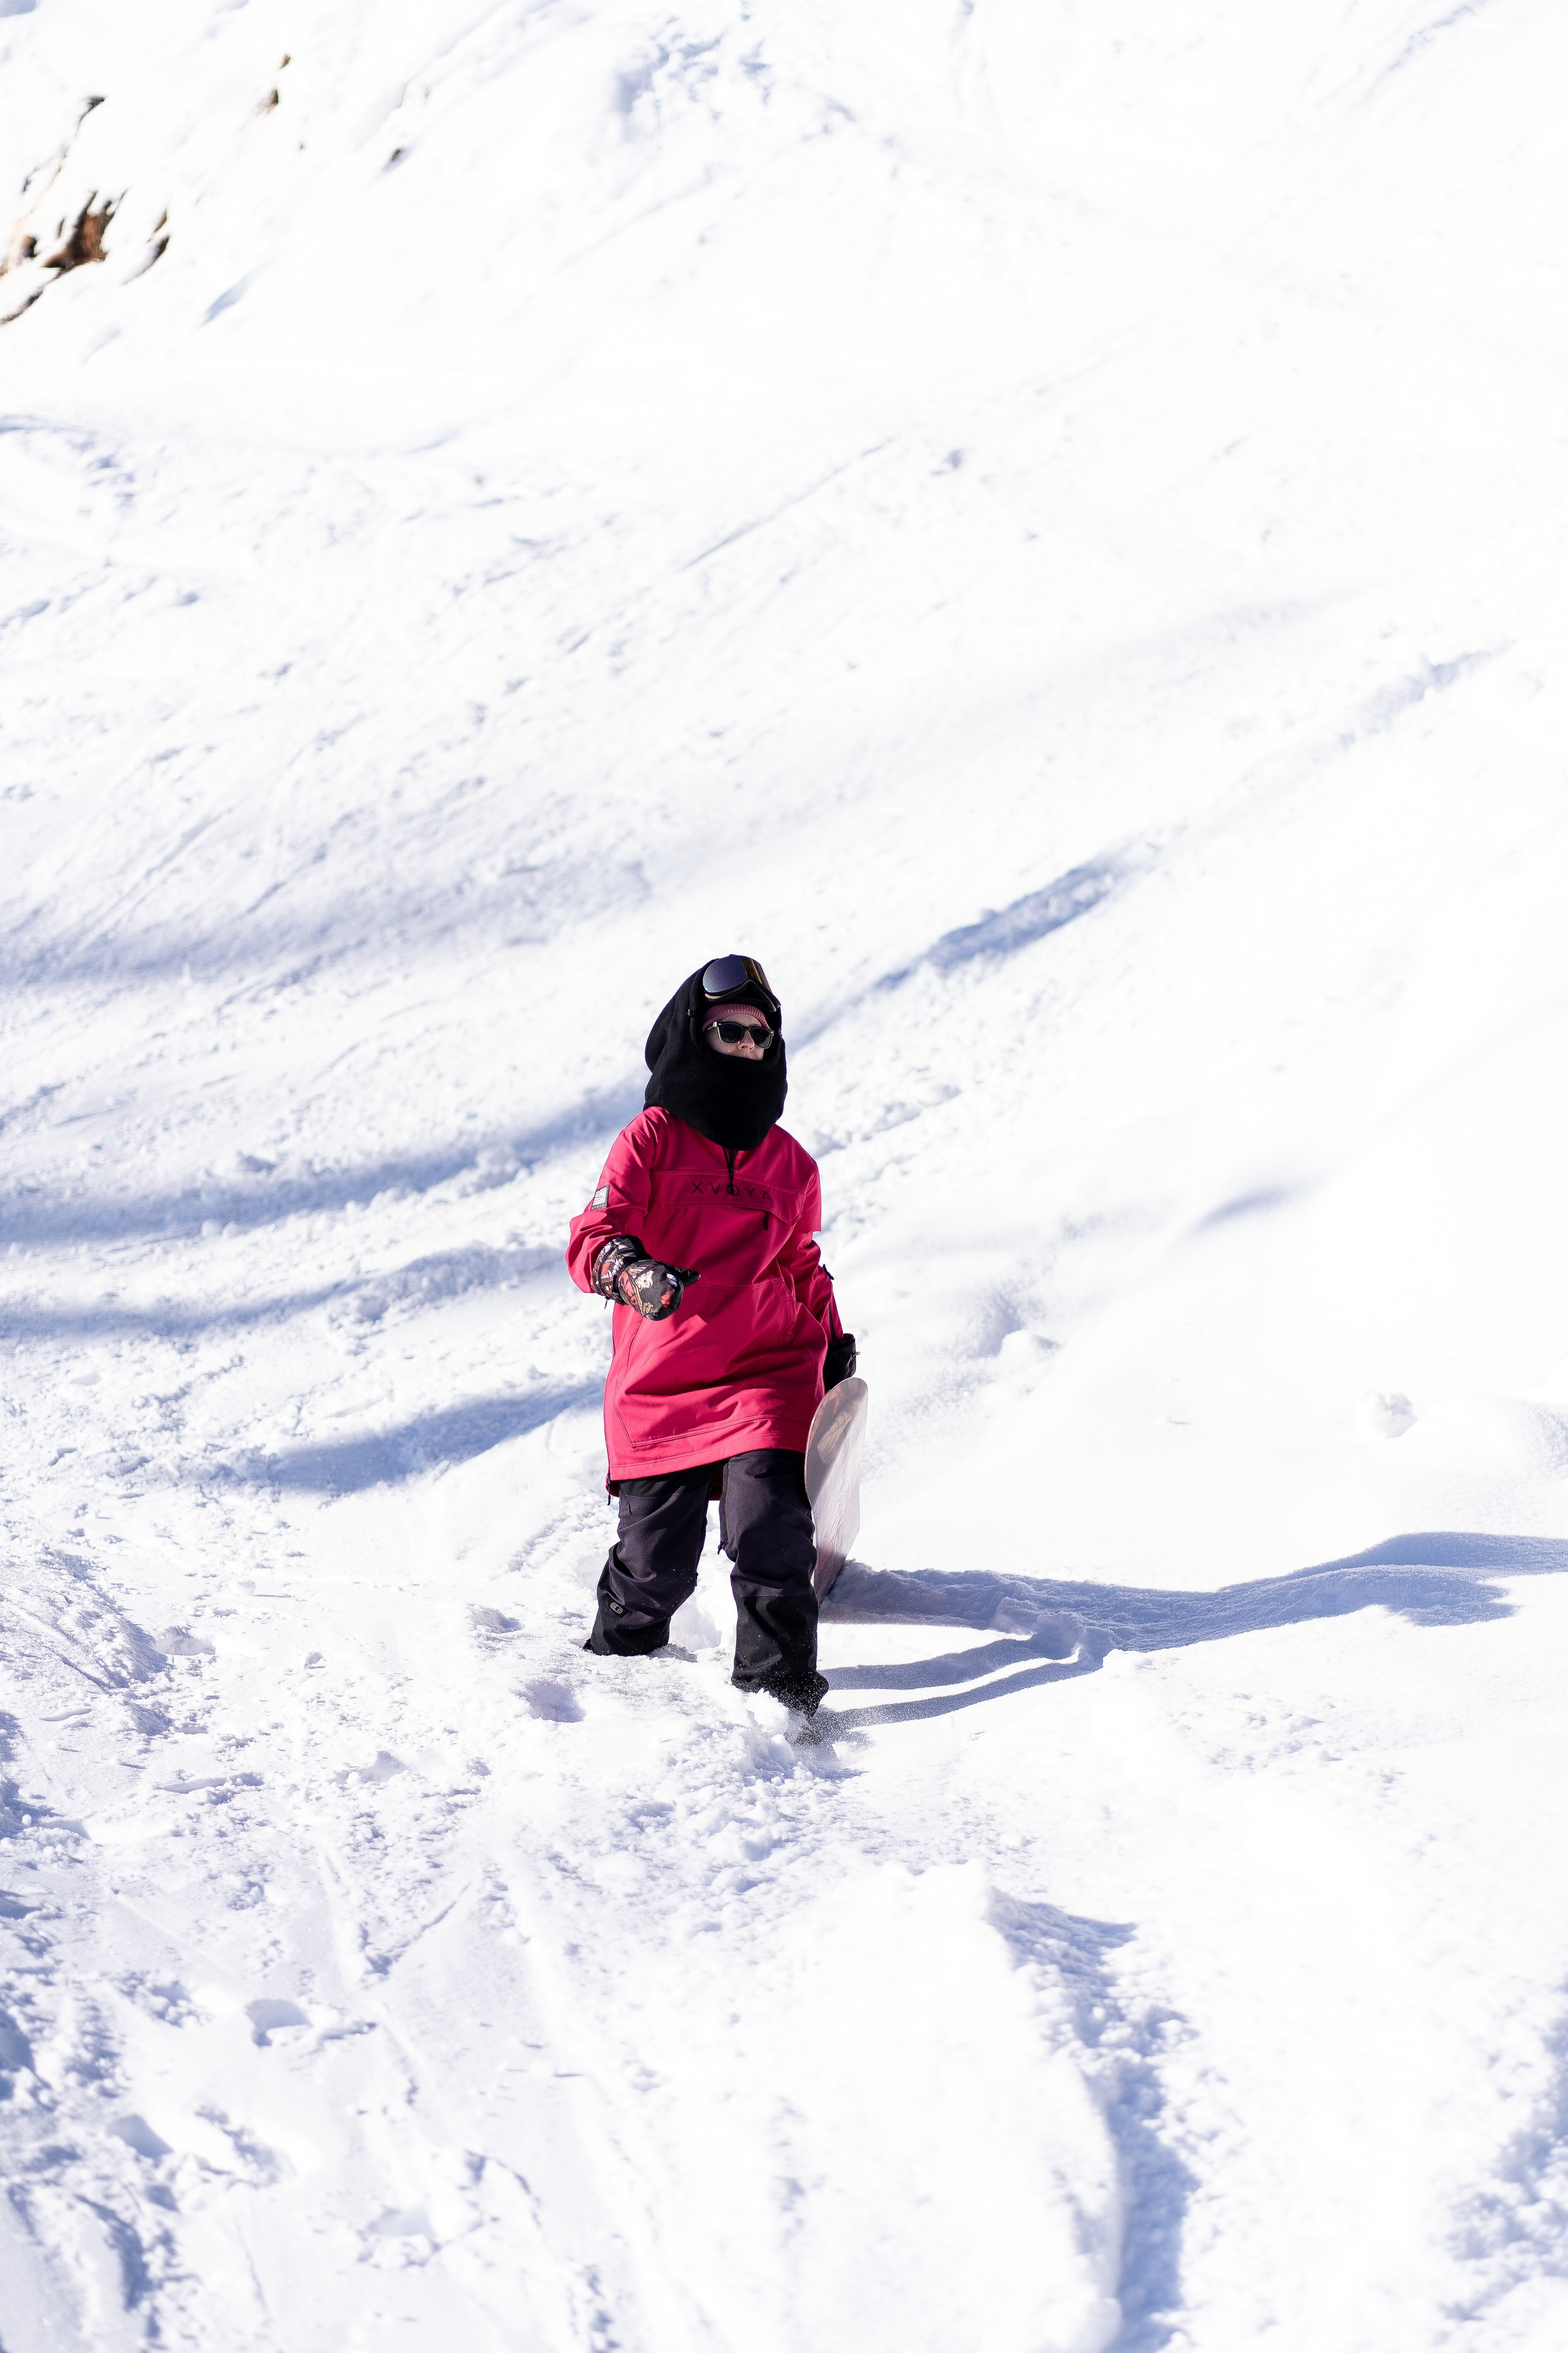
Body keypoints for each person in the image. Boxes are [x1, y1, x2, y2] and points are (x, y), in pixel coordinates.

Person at [565, 954, 856, 1716]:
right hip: (661, 1383)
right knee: (654, 1570)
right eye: (732, 1032)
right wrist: (631, 1273)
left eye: (763, 1038)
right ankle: (615, 1675)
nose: (749, 1048)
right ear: (694, 1036)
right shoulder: (651, 1140)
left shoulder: (790, 1163)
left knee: (770, 1531)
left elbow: (798, 1261)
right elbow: (593, 1235)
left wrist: (831, 1342)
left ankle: (781, 1694)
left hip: (767, 1373)